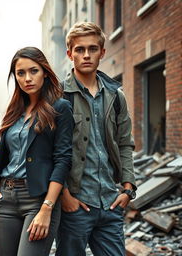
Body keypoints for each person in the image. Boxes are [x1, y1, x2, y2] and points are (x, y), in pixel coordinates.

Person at [55, 22, 137, 256]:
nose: (86, 55)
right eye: (79, 50)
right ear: (69, 54)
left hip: (110, 204)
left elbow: (124, 143)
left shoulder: (116, 97)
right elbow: (49, 151)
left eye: (92, 49)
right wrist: (64, 196)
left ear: (102, 52)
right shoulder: (58, 96)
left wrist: (128, 188)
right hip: (76, 206)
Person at [0, 46, 74, 256]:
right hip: (6, 199)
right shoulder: (14, 110)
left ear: (45, 71)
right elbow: (7, 154)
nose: (27, 78)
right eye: (20, 73)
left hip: (37, 199)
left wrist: (47, 208)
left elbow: (63, 160)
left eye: (33, 71)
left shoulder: (60, 107)